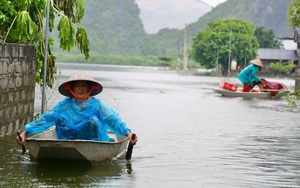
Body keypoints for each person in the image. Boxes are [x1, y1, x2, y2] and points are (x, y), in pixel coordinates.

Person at [16, 71, 137, 146]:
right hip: (68, 139)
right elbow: (46, 118)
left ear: (89, 88)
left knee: (92, 121)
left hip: (93, 143)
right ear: (71, 89)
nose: (80, 89)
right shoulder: (64, 105)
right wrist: (25, 132)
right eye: (77, 86)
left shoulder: (98, 104)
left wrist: (128, 133)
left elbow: (113, 119)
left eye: (83, 86)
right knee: (60, 118)